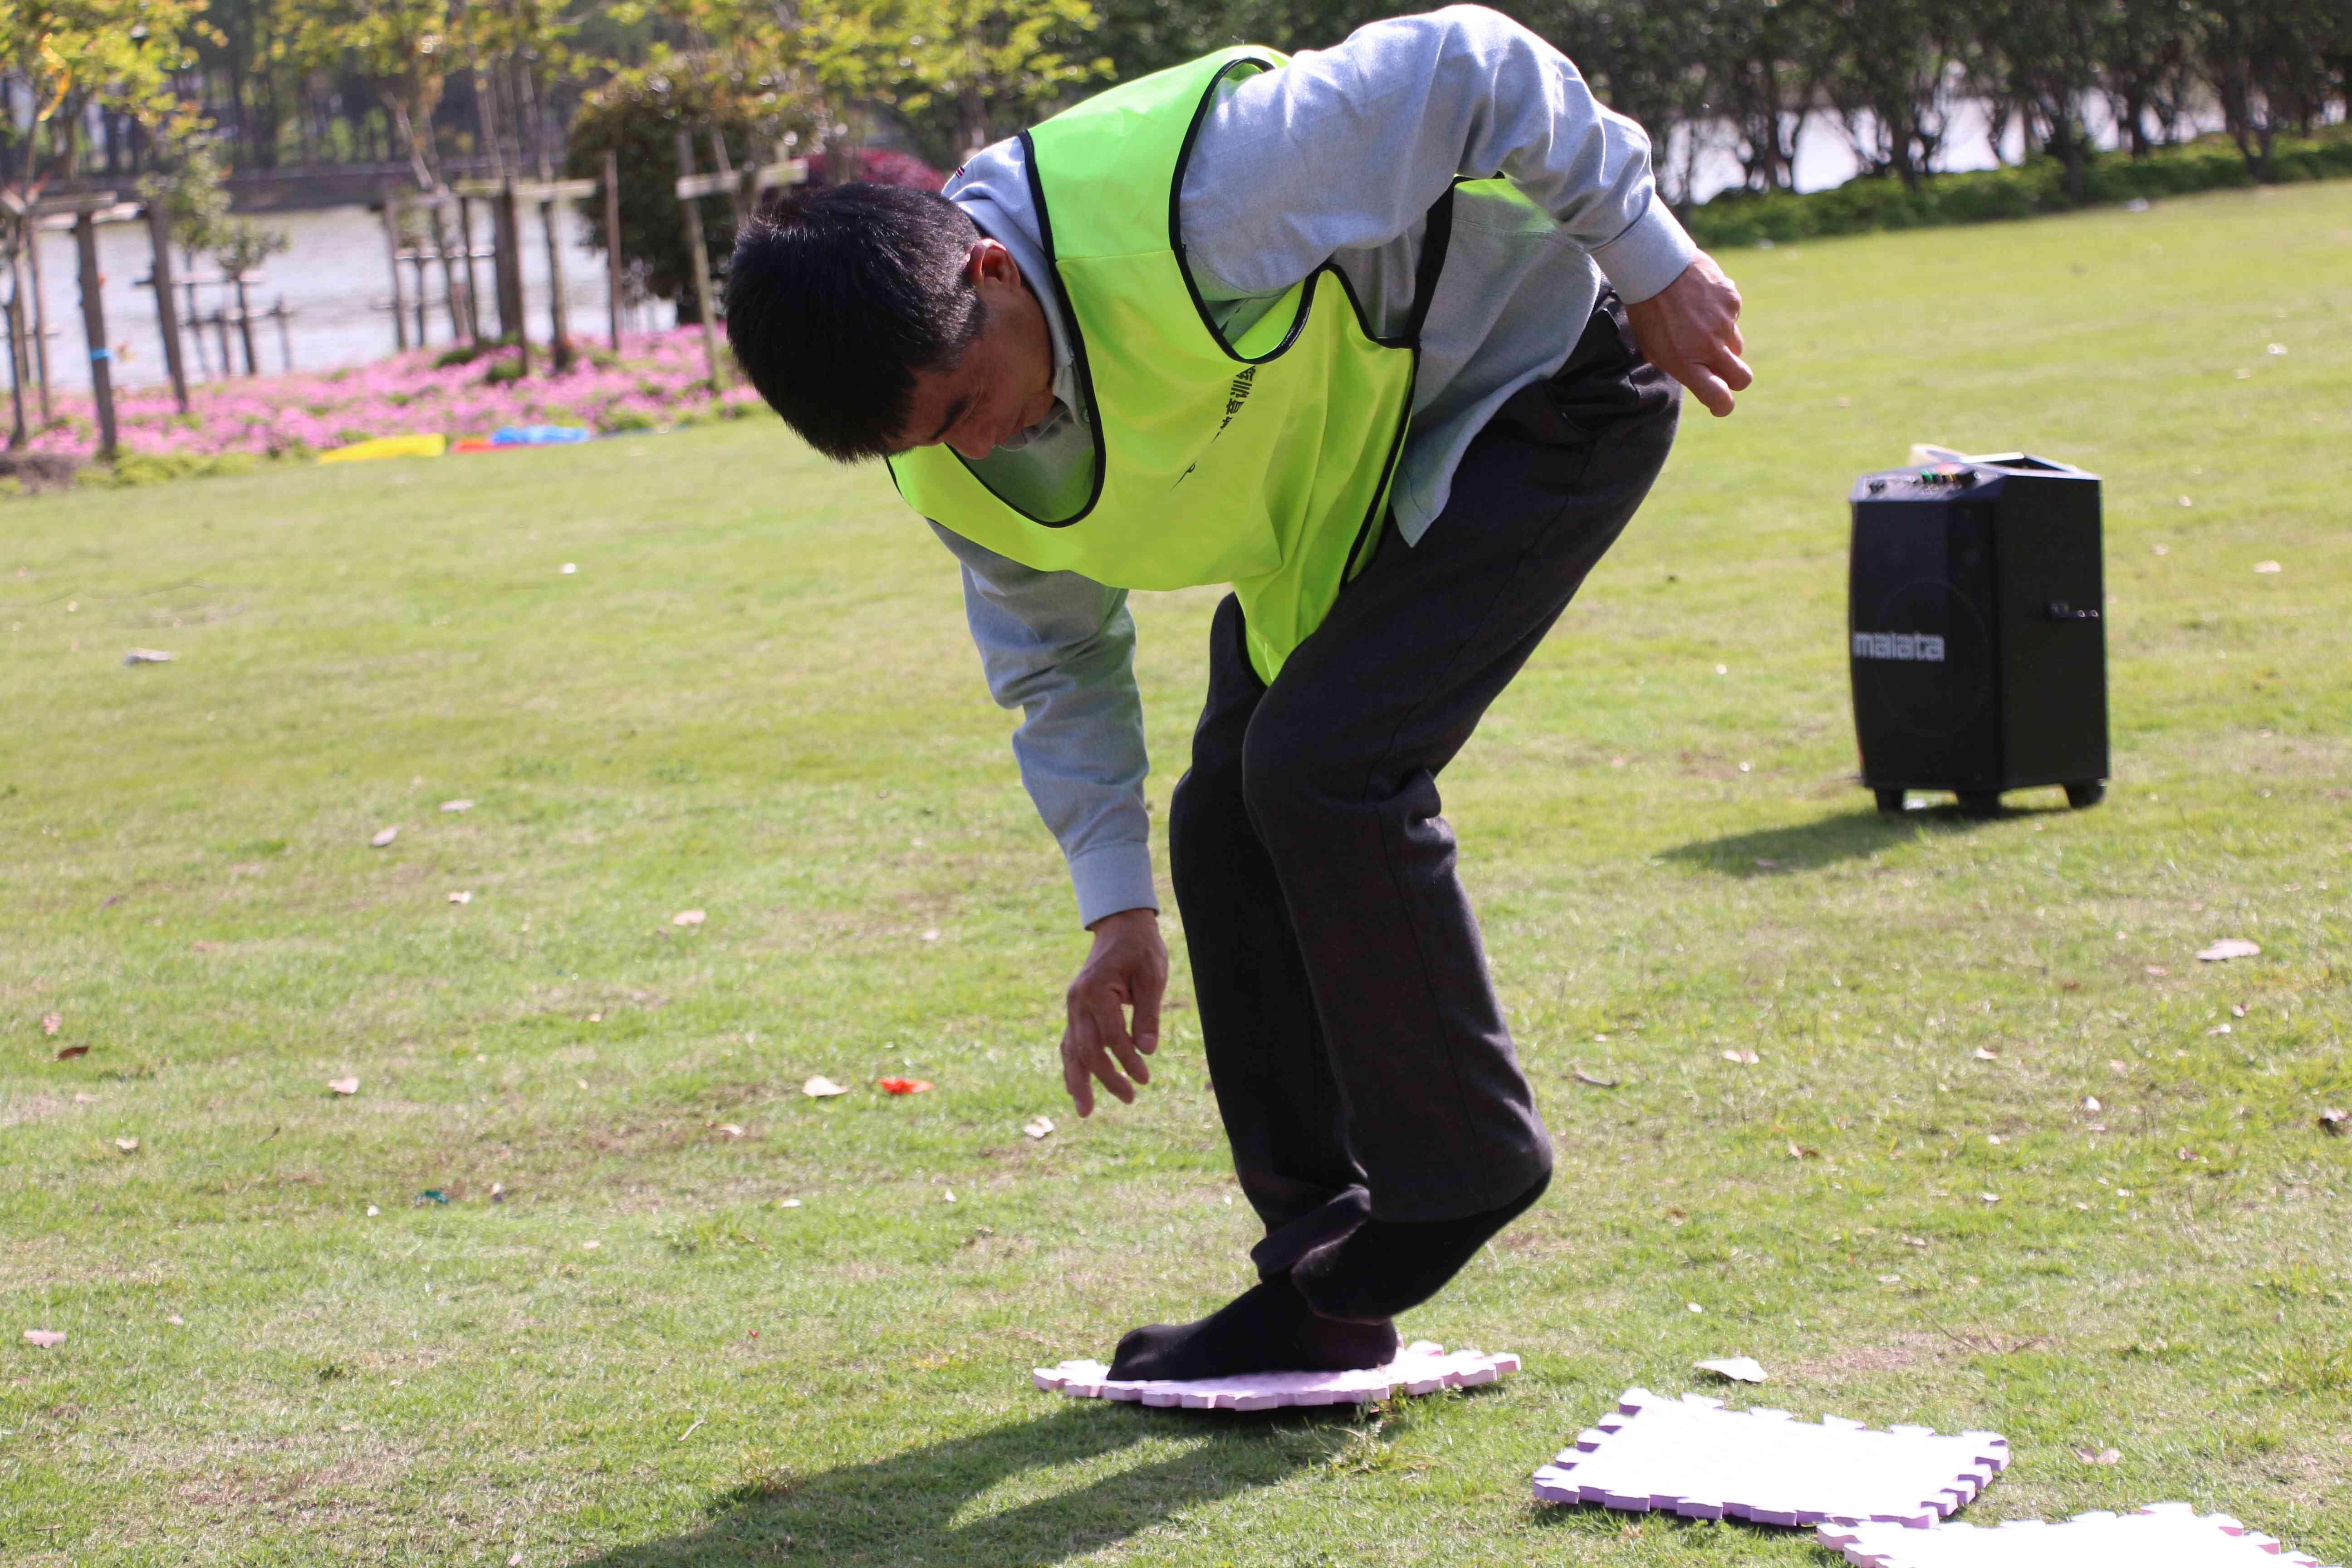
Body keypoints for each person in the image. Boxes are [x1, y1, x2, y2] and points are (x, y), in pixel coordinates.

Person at [723, 5, 1750, 1382]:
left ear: (992, 270)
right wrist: (1116, 911)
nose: (981, 445)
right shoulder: (945, 451)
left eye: (970, 402)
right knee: (1225, 822)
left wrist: (1650, 256)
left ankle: (1463, 1172)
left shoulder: (1200, 195)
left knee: (1320, 769)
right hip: (1366, 481)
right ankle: (1325, 1286)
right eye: (933, 439)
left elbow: (1471, 65)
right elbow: (1057, 658)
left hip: (1555, 383)